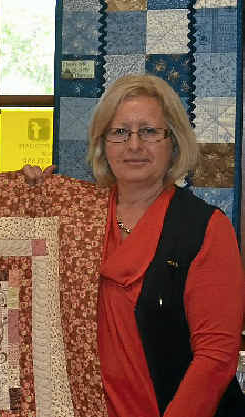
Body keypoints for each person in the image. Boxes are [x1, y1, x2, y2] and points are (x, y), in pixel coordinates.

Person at [88, 74, 244, 416]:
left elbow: (216, 356)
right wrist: (31, 191)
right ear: (103, 143)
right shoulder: (78, 218)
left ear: (173, 142)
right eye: (119, 132)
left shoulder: (204, 228)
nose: (133, 146)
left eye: (149, 131)